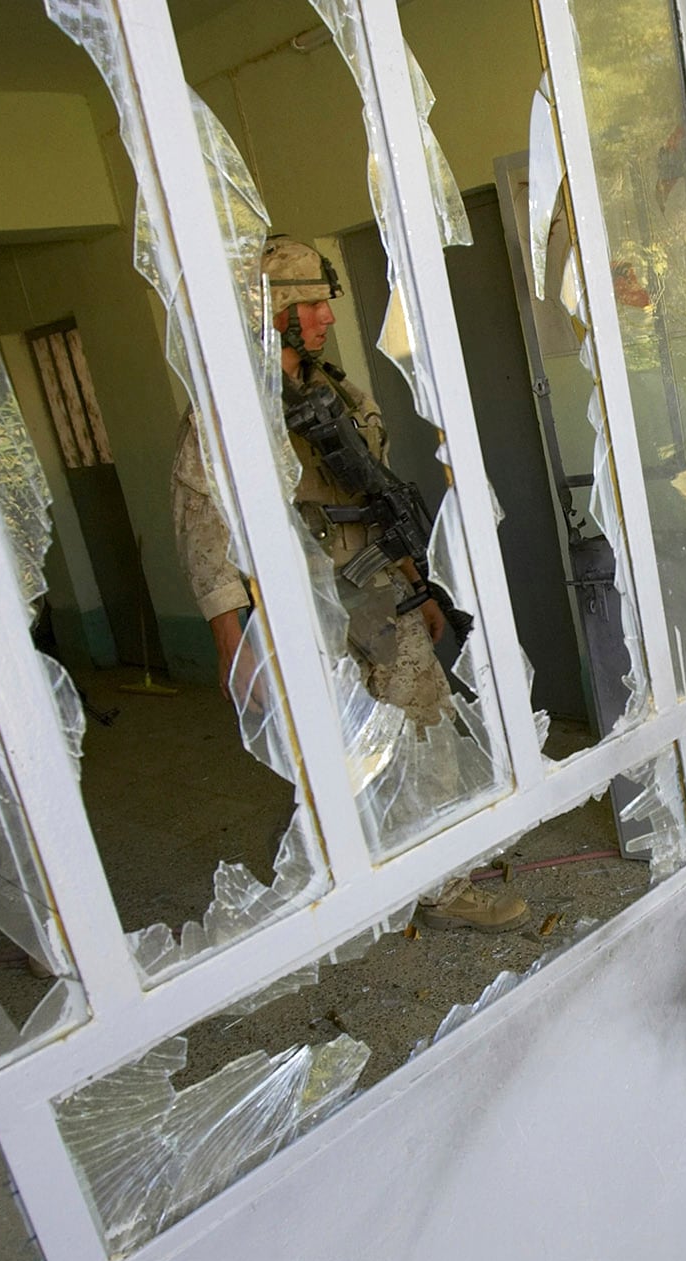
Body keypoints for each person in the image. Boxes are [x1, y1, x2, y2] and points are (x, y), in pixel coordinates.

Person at [170, 236, 526, 933]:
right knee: (335, 752)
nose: (327, 318)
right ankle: (369, 878)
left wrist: (415, 584)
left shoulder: (338, 392)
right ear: (273, 312)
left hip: (374, 597)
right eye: (311, 305)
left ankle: (439, 875)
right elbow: (201, 523)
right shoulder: (226, 412)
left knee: (425, 728)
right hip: (299, 609)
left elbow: (380, 502)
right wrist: (228, 637)